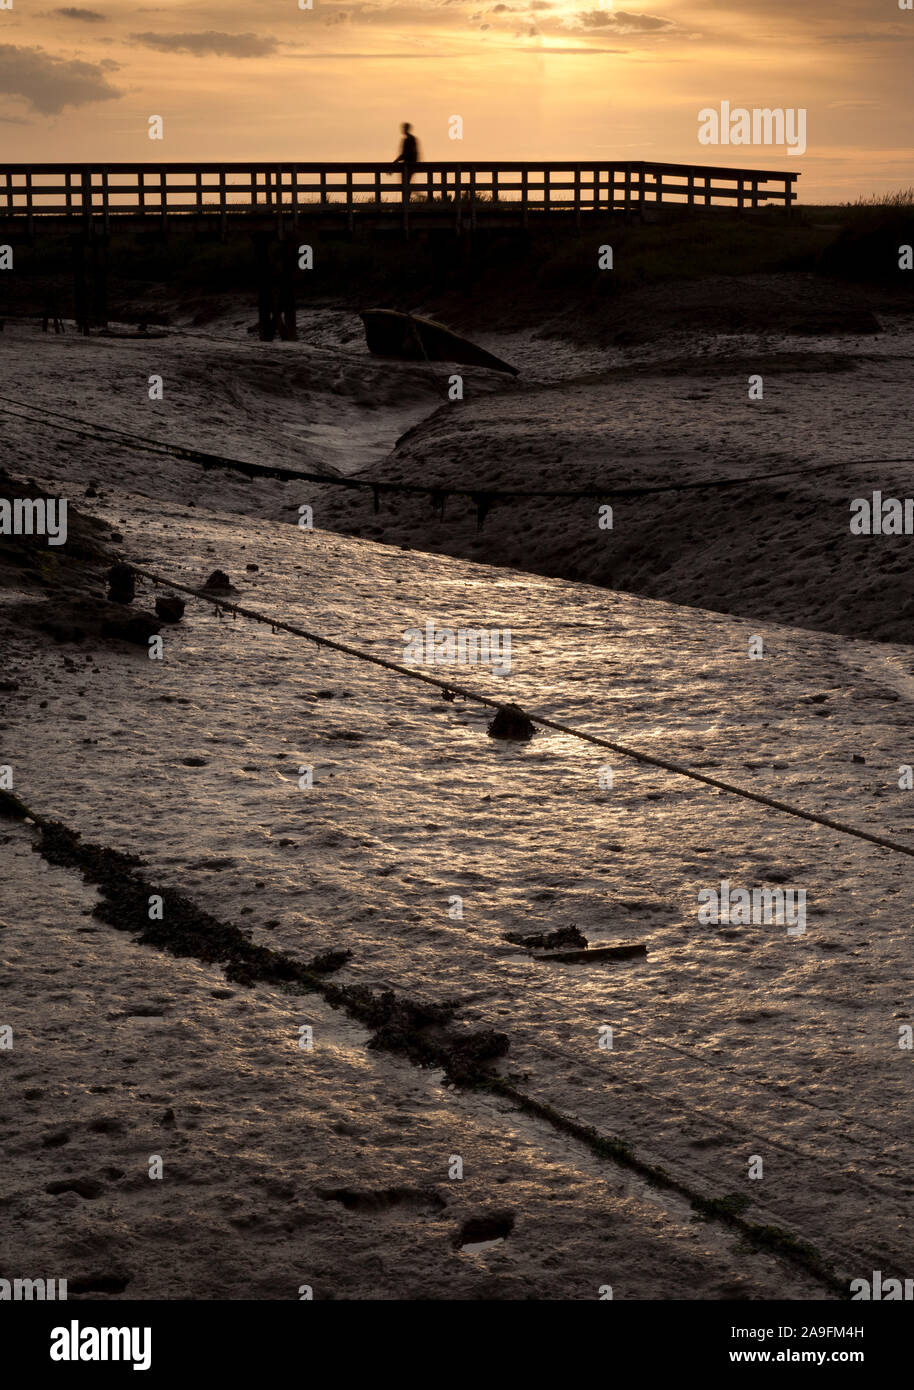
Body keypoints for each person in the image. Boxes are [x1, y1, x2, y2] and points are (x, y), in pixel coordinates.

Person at [393, 122, 420, 200]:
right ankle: (407, 200)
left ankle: (406, 201)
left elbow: (405, 153)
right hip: (411, 165)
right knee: (406, 184)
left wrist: (396, 160)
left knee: (405, 184)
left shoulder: (408, 140)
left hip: (408, 165)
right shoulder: (412, 139)